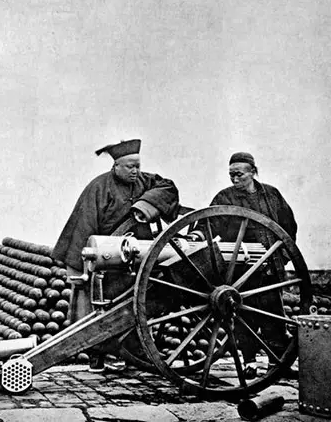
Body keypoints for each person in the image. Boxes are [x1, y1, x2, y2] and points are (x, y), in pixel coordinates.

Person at [52, 139, 180, 371]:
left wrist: (146, 206)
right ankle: (97, 355)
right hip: (107, 261)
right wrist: (81, 265)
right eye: (130, 167)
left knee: (136, 306)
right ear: (116, 166)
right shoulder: (98, 188)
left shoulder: (145, 181)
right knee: (100, 310)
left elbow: (168, 188)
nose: (135, 171)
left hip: (137, 258)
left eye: (138, 166)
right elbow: (83, 226)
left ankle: (134, 353)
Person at [188, 151, 296, 376]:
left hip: (270, 266)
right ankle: (249, 362)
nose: (235, 179)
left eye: (239, 174)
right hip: (241, 269)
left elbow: (288, 227)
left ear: (253, 172)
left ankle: (277, 362)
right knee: (244, 315)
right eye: (231, 175)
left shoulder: (272, 195)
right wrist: (197, 235)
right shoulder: (225, 197)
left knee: (273, 313)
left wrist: (284, 256)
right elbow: (209, 223)